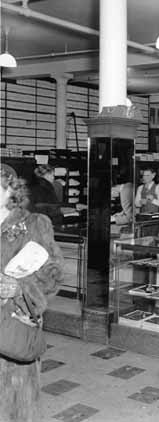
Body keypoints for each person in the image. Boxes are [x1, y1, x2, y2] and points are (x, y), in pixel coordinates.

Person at [0, 164, 63, 422]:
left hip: (13, 326)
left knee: (16, 406)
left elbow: (54, 274)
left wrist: (21, 288)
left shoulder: (34, 225)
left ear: (9, 191)